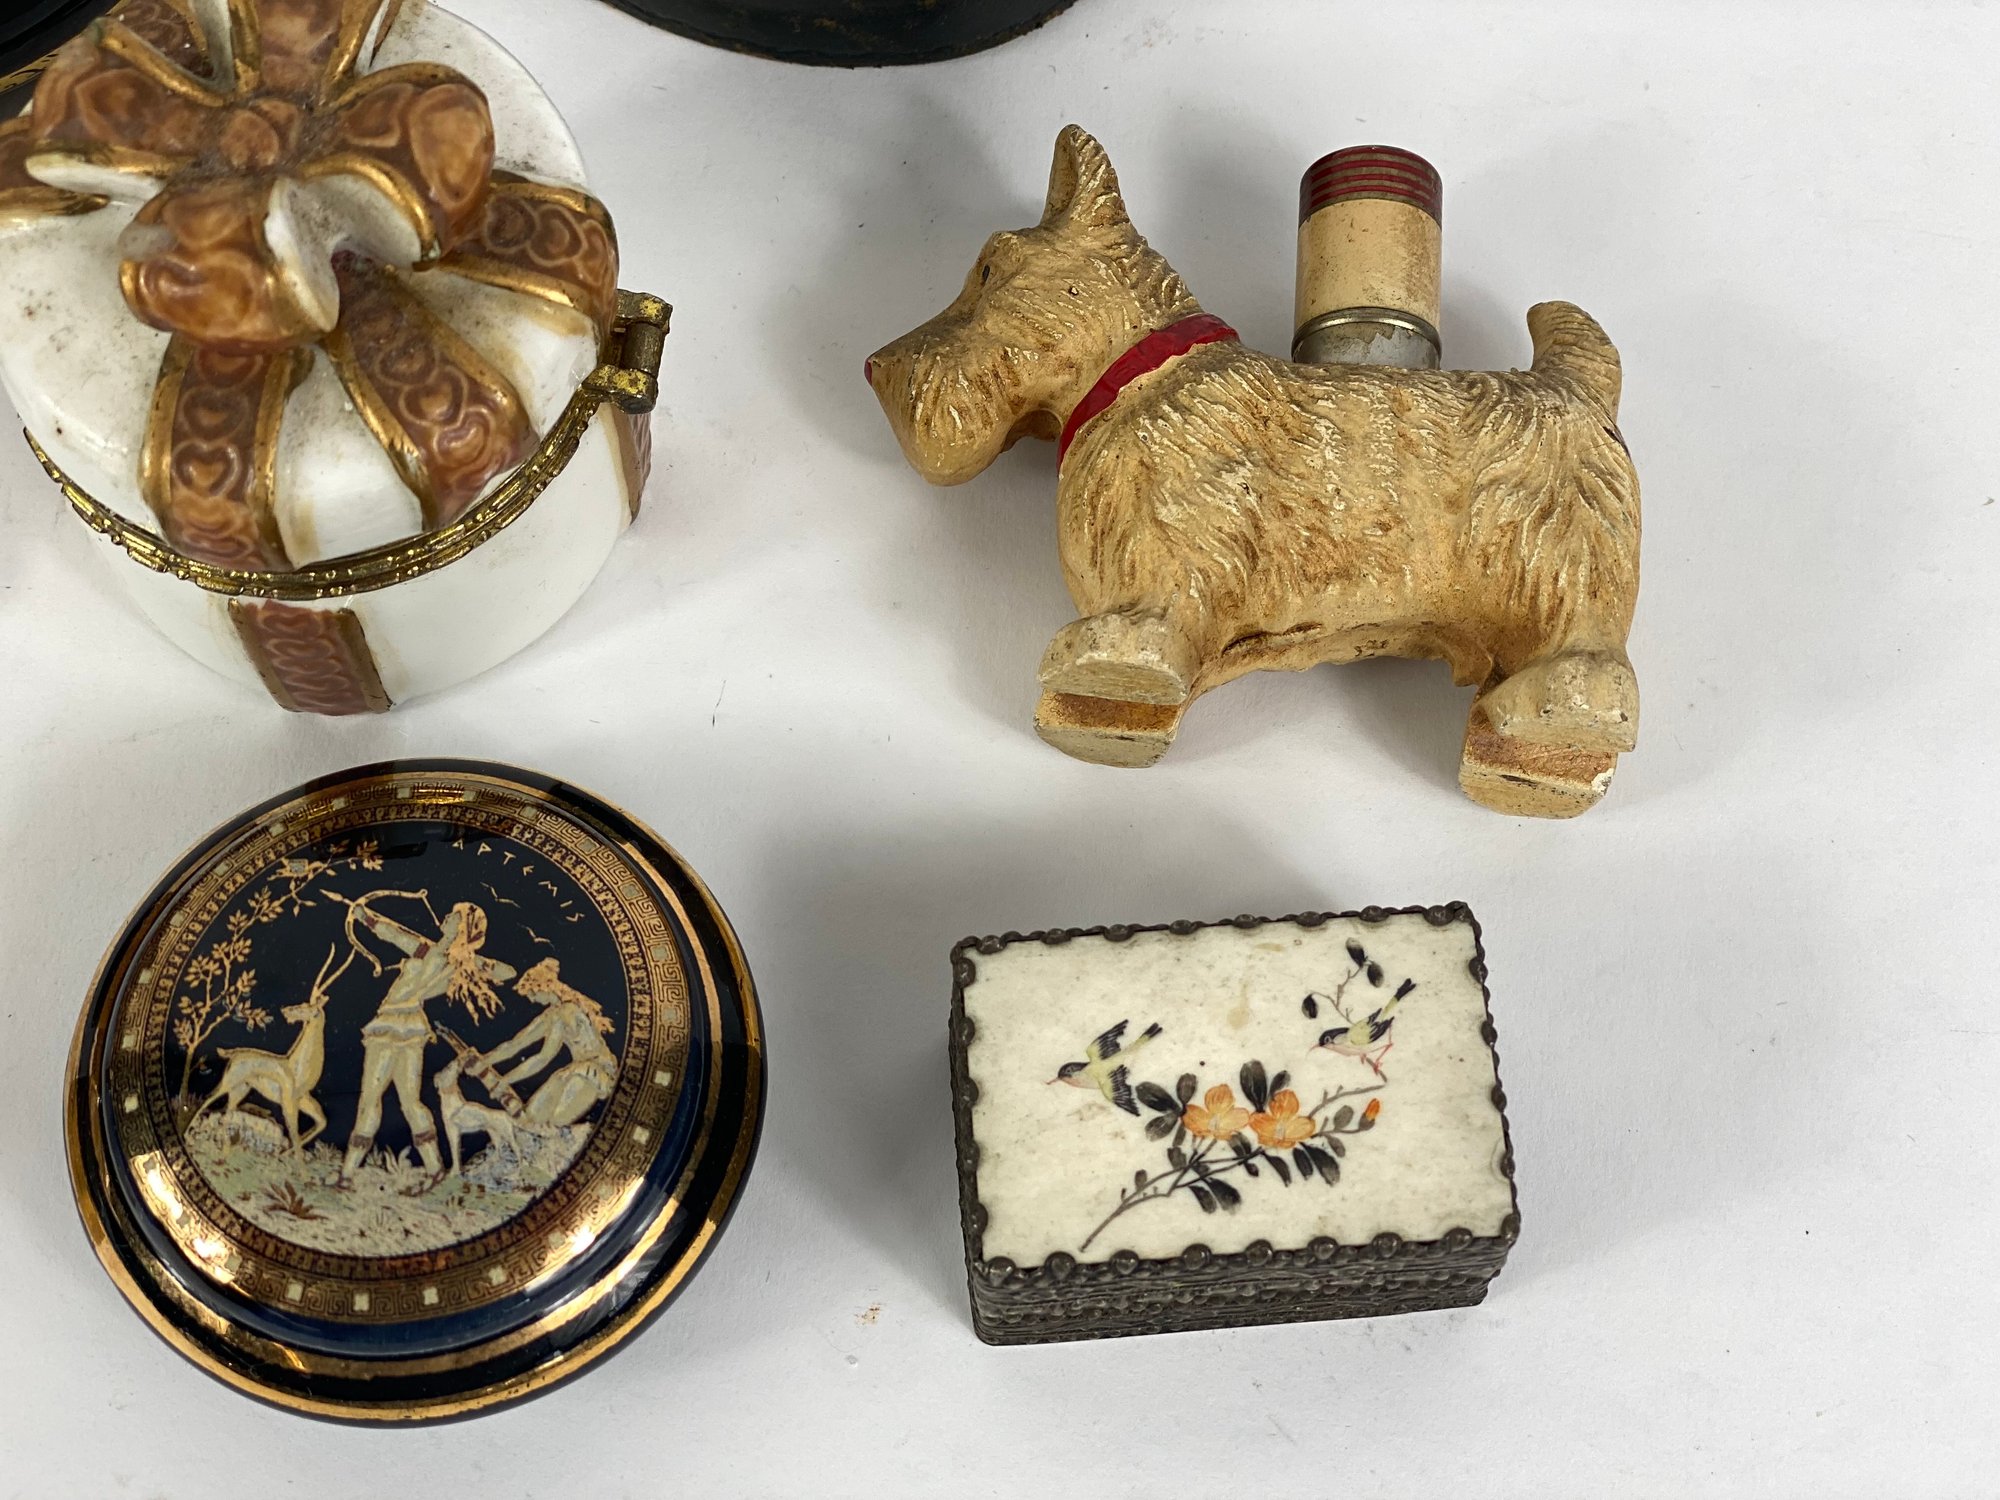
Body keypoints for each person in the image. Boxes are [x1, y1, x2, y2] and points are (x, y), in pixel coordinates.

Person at [337, 899, 516, 1188]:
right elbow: (392, 934)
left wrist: (473, 960)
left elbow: (508, 972)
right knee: (408, 1102)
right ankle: (434, 1170)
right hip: (411, 1029)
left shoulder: (444, 959)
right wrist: (366, 917)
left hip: (391, 1025)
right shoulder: (430, 951)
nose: (446, 917)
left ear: (461, 928)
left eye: (454, 917)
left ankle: (347, 1175)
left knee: (372, 1099)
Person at [481, 958, 618, 1127]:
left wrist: (505, 1081)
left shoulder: (567, 1012)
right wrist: (484, 1061)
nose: (532, 1000)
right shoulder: (553, 1014)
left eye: (532, 993)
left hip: (594, 1073)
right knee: (531, 1118)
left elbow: (543, 1057)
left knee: (552, 1124)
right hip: (574, 1071)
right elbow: (515, 1045)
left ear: (543, 987)